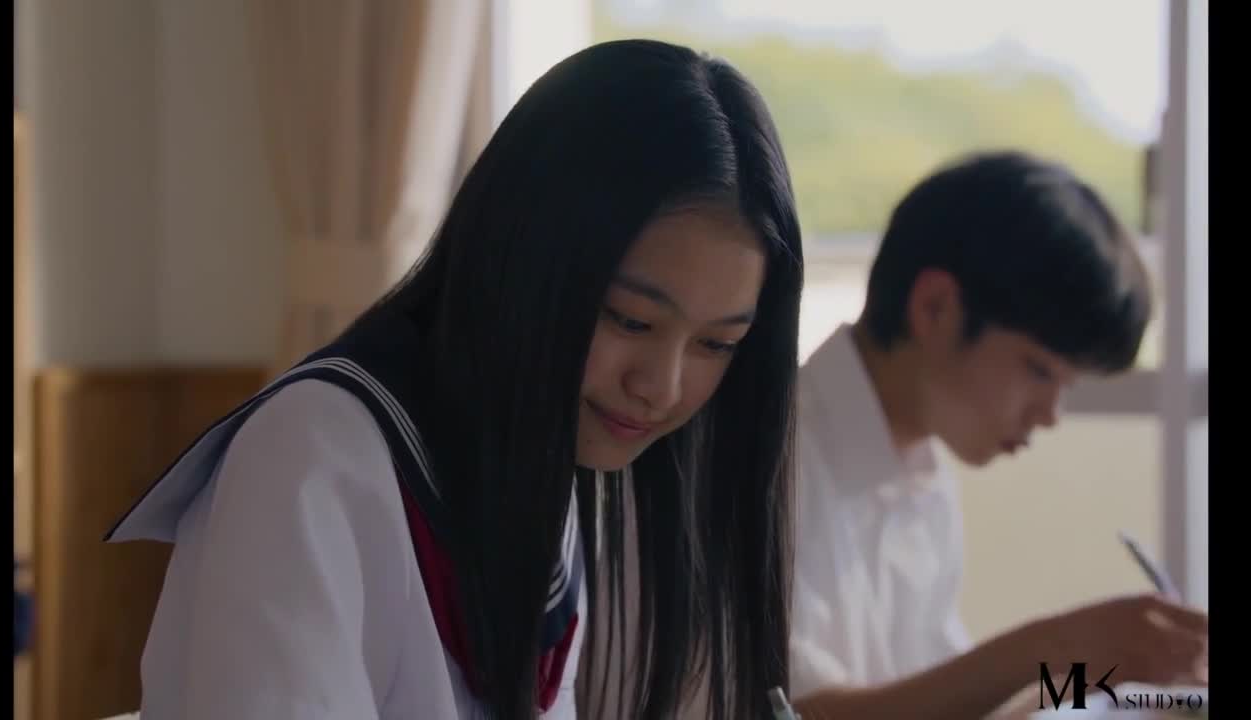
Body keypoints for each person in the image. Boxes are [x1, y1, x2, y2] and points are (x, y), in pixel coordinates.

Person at [104, 39, 805, 720]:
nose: (662, 386)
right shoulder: (313, 457)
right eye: (631, 320)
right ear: (522, 257)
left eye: (718, 343)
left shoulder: (541, 454)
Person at [786, 151, 1208, 720]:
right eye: (1039, 370)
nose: (1050, 415)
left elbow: (963, 708)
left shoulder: (918, 475)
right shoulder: (773, 460)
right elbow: (801, 714)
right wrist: (1058, 643)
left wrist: (1116, 673)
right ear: (936, 308)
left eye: (1067, 385)